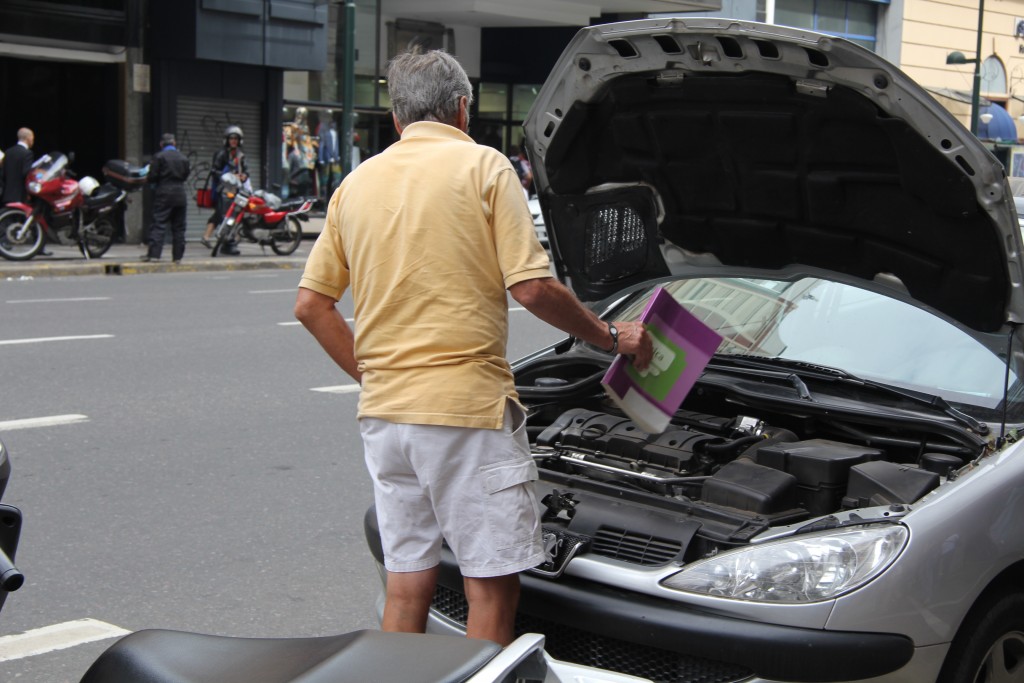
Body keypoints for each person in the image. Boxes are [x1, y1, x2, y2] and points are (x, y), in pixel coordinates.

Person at [293, 49, 653, 646]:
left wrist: (378, 376)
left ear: (396, 117)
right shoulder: (484, 167)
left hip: (386, 417)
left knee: (408, 580)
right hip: (464, 413)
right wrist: (613, 337)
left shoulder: (355, 184)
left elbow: (311, 304)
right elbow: (533, 287)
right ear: (462, 108)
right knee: (493, 585)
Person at [142, 133, 191, 263]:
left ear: (161, 144)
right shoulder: (183, 158)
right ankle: (177, 257)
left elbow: (152, 176)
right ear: (174, 143)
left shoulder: (159, 157)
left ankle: (154, 255)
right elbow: (186, 175)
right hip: (180, 193)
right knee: (179, 227)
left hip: (164, 192)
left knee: (159, 223)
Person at [200, 125, 248, 254]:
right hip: (223, 190)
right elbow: (214, 171)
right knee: (224, 215)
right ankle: (228, 242)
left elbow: (246, 170)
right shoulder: (221, 153)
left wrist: (244, 176)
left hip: (236, 189)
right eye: (231, 138)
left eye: (236, 139)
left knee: (228, 215)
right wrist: (228, 176)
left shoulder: (240, 155)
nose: (234, 141)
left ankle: (217, 238)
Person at [1, 128, 35, 205]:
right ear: (29, 138)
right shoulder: (27, 153)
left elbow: (2, 174)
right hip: (20, 196)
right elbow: (26, 173)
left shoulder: (8, 152)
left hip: (6, 196)